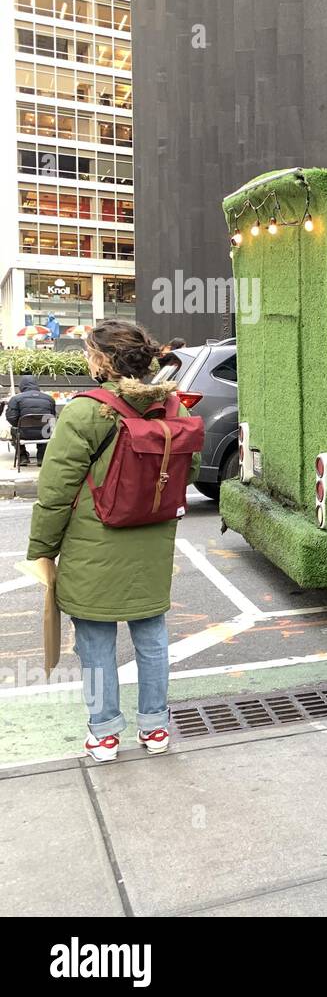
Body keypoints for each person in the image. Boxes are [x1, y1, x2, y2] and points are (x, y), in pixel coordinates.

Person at [26, 320, 201, 762]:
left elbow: (55, 492)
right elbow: (190, 472)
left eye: (90, 352)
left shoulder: (86, 411)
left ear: (103, 360)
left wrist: (42, 550)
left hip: (93, 547)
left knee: (95, 643)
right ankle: (155, 728)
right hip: (152, 545)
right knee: (152, 637)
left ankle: (104, 734)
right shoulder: (173, 408)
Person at [5, 374, 56, 466]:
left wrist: (19, 425)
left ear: (21, 386)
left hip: (23, 433)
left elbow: (11, 418)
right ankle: (41, 457)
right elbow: (52, 417)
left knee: (13, 430)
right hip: (44, 433)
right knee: (46, 428)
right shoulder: (49, 399)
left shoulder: (16, 399)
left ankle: (22, 456)